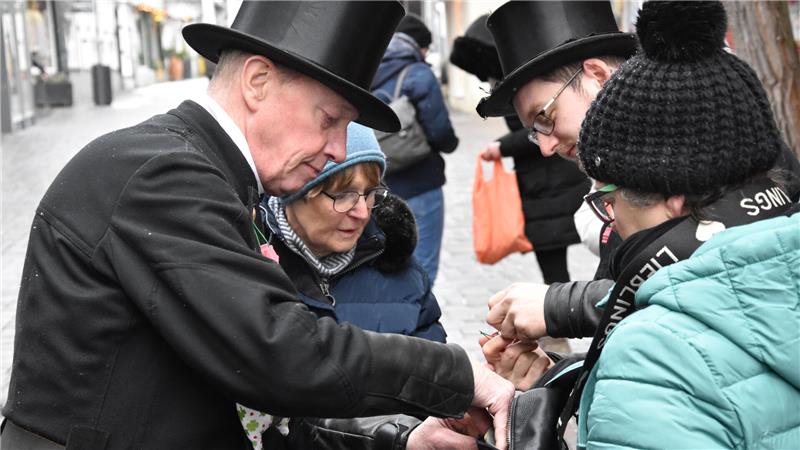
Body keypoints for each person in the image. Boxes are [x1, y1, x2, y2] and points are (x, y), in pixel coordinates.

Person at [0, 2, 515, 449]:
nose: (340, 148)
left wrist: (400, 438)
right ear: (257, 81)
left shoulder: (210, 173)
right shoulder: (163, 171)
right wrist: (457, 375)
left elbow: (258, 415)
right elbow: (281, 354)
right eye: (330, 119)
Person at [497, 2, 800, 447]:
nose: (543, 146)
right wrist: (563, 378)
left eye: (544, 117)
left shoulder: (714, 138)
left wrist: (570, 305)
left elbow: (713, 296)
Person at [240, 122, 447, 449]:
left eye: (370, 193)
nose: (362, 211)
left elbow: (432, 386)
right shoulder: (252, 267)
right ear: (298, 191)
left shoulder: (398, 266)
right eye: (344, 194)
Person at [450, 14, 591, 285]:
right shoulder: (510, 85)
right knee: (553, 255)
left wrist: (502, 146)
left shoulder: (523, 87)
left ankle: (562, 314)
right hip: (541, 179)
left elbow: (535, 133)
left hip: (551, 179)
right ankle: (561, 312)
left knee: (556, 251)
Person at [372, 14, 459, 284]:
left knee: (379, 261)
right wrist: (450, 144)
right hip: (421, 182)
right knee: (422, 264)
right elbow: (440, 131)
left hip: (375, 184)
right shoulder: (418, 73)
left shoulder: (365, 67)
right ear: (419, 45)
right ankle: (416, 321)